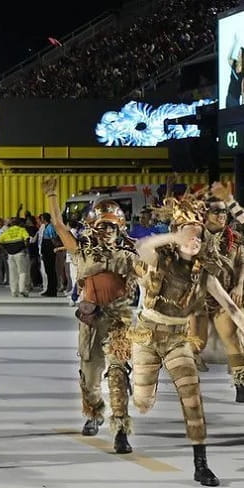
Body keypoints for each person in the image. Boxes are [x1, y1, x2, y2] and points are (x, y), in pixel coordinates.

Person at [130, 194, 244, 487]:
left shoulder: (204, 272)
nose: (195, 240)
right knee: (142, 402)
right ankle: (139, 388)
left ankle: (201, 464)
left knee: (193, 399)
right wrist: (172, 234)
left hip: (177, 337)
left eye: (198, 236)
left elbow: (230, 306)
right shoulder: (161, 260)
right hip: (147, 334)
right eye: (189, 235)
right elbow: (142, 246)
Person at [44, 177, 138, 454]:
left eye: (112, 226)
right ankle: (93, 413)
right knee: (90, 373)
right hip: (91, 320)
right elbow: (60, 226)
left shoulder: (128, 256)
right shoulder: (82, 253)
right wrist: (51, 198)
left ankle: (121, 429)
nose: (106, 231)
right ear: (93, 228)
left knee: (119, 375)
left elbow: (152, 275)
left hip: (119, 321)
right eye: (102, 226)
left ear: (120, 228)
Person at [186, 196, 244, 400]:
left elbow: (242, 264)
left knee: (232, 339)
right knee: (195, 344)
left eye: (224, 212)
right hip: (198, 298)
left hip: (225, 295)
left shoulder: (235, 238)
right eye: (216, 212)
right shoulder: (193, 237)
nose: (221, 216)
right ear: (205, 214)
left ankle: (241, 384)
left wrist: (239, 286)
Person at [0, 218, 30, 297]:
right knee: (22, 272)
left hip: (10, 255)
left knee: (12, 273)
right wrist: (25, 247)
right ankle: (22, 289)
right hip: (20, 253)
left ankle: (14, 292)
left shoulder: (7, 231)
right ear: (19, 224)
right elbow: (27, 239)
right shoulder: (22, 230)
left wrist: (5, 250)